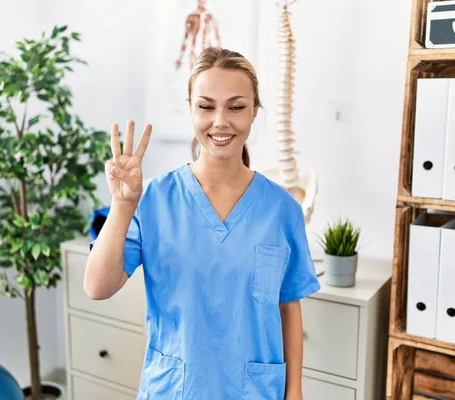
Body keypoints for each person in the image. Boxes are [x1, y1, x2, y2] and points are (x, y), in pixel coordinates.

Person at [84, 46, 320, 400]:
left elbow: (288, 306)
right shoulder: (153, 199)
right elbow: (97, 287)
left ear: (255, 112)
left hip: (254, 391)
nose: (221, 121)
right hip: (177, 390)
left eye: (236, 107)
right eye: (206, 106)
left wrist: (295, 392)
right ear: (191, 109)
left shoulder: (282, 209)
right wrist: (121, 205)